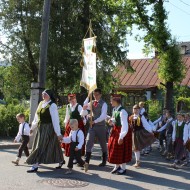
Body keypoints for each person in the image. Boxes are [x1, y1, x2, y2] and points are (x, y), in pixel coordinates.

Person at [26, 89, 64, 172]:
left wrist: (58, 133)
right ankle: (61, 160)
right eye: (43, 94)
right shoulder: (40, 104)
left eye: (45, 94)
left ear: (49, 95)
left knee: (40, 146)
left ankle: (35, 165)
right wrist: (32, 128)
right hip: (40, 128)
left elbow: (55, 120)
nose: (43, 96)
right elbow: (36, 117)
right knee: (53, 146)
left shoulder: (52, 105)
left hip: (49, 128)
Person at [81, 88, 108, 167]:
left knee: (102, 143)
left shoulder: (104, 104)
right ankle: (87, 161)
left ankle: (104, 160)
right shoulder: (92, 102)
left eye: (97, 95)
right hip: (92, 126)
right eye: (94, 95)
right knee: (89, 141)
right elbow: (85, 106)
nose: (95, 96)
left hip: (100, 126)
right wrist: (88, 96)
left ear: (100, 95)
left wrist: (95, 121)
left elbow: (103, 116)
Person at [58, 94, 85, 169]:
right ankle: (72, 157)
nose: (72, 101)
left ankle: (78, 157)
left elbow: (82, 115)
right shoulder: (68, 106)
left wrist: (84, 116)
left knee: (78, 140)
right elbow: (67, 116)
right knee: (70, 140)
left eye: (73, 99)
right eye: (70, 100)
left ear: (75, 99)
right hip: (70, 125)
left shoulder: (78, 106)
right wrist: (66, 124)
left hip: (78, 124)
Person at [108, 95, 132, 175]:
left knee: (122, 149)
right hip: (115, 130)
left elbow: (124, 125)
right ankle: (117, 166)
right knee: (114, 148)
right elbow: (115, 120)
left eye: (112, 101)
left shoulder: (123, 112)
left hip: (121, 131)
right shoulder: (115, 109)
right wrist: (111, 122)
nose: (110, 102)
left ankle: (123, 168)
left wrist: (121, 137)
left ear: (116, 101)